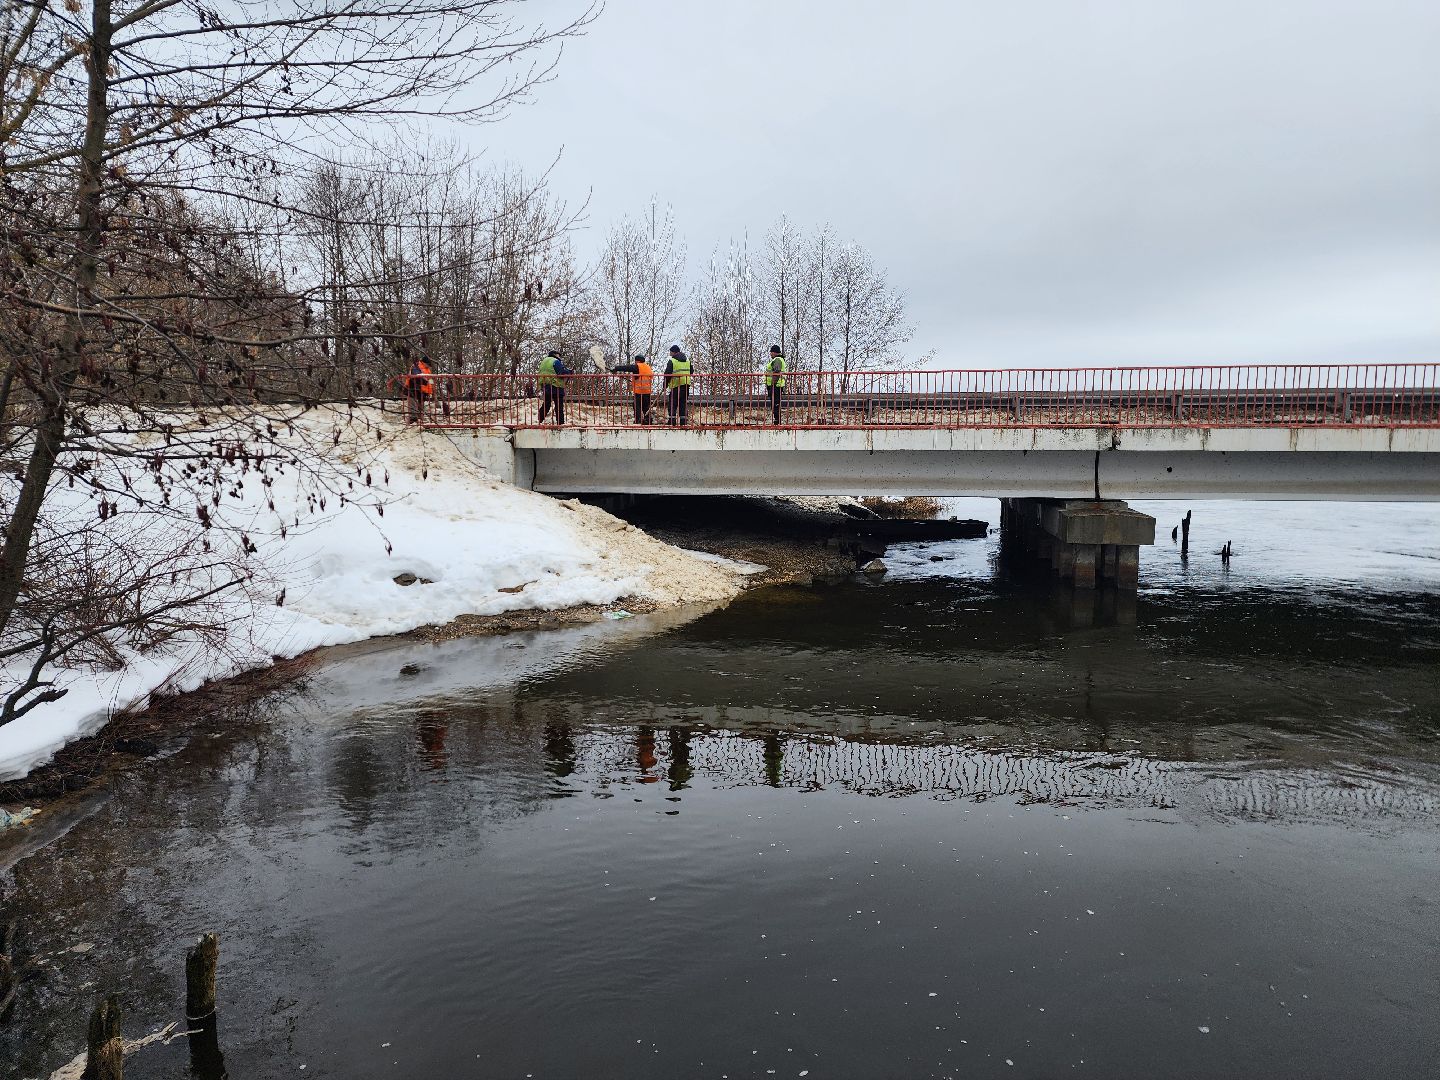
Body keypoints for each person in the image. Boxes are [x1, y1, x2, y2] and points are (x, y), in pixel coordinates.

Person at [609, 353, 654, 424]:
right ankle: (648, 420)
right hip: (647, 391)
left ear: (637, 361)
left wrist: (616, 368)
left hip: (639, 391)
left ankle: (638, 420)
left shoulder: (638, 366)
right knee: (646, 407)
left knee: (637, 406)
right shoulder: (648, 367)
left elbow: (627, 368)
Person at [537, 349, 571, 425]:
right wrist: (569, 372)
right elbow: (561, 373)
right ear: (555, 355)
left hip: (546, 385)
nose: (560, 357)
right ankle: (560, 423)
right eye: (559, 355)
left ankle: (539, 420)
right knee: (559, 405)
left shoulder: (544, 362)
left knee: (546, 404)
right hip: (556, 385)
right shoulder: (555, 361)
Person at [663, 345, 692, 426]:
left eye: (670, 352)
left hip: (676, 385)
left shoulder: (672, 361)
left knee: (673, 403)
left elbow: (667, 374)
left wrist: (665, 385)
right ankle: (683, 422)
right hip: (686, 384)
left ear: (673, 352)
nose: (670, 353)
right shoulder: (687, 360)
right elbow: (691, 371)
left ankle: (672, 421)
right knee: (683, 403)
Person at [405, 353, 434, 424]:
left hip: (422, 390)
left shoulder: (427, 370)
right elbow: (417, 377)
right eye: (428, 364)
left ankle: (419, 420)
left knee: (420, 406)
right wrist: (425, 382)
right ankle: (413, 420)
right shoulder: (416, 366)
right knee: (413, 404)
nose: (429, 366)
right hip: (413, 388)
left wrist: (430, 390)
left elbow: (430, 381)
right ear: (424, 362)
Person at [764, 345, 787, 424]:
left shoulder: (777, 360)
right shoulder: (778, 359)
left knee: (775, 404)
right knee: (775, 404)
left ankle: (777, 421)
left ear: (774, 352)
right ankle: (777, 421)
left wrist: (772, 385)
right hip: (776, 385)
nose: (770, 353)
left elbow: (776, 373)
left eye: (771, 352)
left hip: (776, 385)